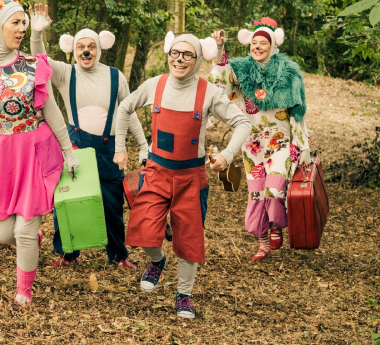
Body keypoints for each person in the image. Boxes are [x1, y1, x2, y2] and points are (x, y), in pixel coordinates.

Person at [0, 0, 80, 305]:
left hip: (34, 150)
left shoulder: (32, 65)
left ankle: (24, 289)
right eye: (15, 22)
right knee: (3, 233)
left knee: (23, 230)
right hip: (0, 154)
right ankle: (31, 239)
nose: (21, 29)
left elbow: (52, 111)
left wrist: (69, 151)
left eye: (24, 23)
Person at [114, 32, 251, 319]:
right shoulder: (155, 84)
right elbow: (124, 107)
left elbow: (243, 122)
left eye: (187, 54)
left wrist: (227, 155)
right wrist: (120, 148)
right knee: (144, 229)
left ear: (198, 59)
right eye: (175, 53)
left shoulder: (209, 92)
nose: (179, 59)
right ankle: (157, 261)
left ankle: (184, 295)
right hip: (156, 171)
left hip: (191, 177)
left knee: (189, 240)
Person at [29, 4, 148, 270]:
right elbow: (39, 59)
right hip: (76, 145)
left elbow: (128, 113)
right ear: (73, 50)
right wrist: (37, 33)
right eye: (81, 47)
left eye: (91, 47)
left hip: (109, 149)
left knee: (112, 203)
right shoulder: (65, 73)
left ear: (99, 49)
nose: (86, 51)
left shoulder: (115, 76)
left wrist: (143, 146)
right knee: (68, 200)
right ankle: (66, 253)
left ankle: (118, 255)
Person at [209, 17, 311, 260]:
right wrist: (220, 48)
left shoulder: (288, 74)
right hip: (252, 144)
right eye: (254, 43)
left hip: (280, 142)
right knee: (256, 194)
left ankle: (276, 224)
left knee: (273, 190)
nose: (257, 47)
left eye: (262, 43)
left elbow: (297, 113)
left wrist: (304, 145)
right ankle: (263, 242)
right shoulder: (242, 72)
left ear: (272, 45)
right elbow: (222, 80)